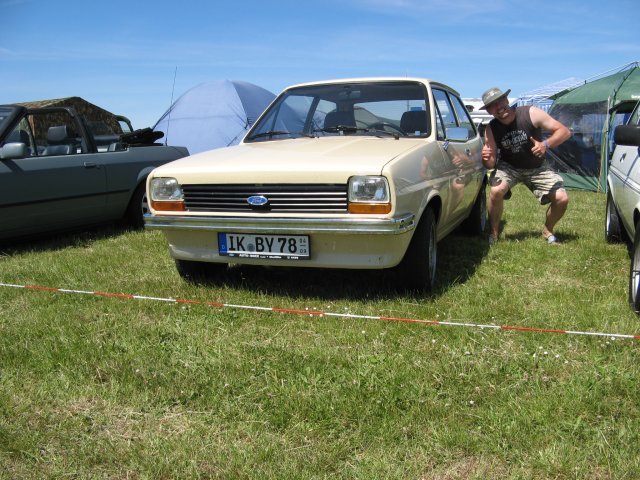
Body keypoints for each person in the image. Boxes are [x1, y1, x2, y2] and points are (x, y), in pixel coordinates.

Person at [480, 87, 571, 245]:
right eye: (493, 105)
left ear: (507, 100)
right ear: (489, 111)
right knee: (495, 191)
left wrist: (545, 144)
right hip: (509, 167)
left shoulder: (531, 113)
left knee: (562, 199)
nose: (499, 106)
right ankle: (494, 233)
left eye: (500, 101)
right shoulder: (491, 129)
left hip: (537, 167)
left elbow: (564, 131)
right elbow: (490, 164)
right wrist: (485, 158)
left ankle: (548, 230)